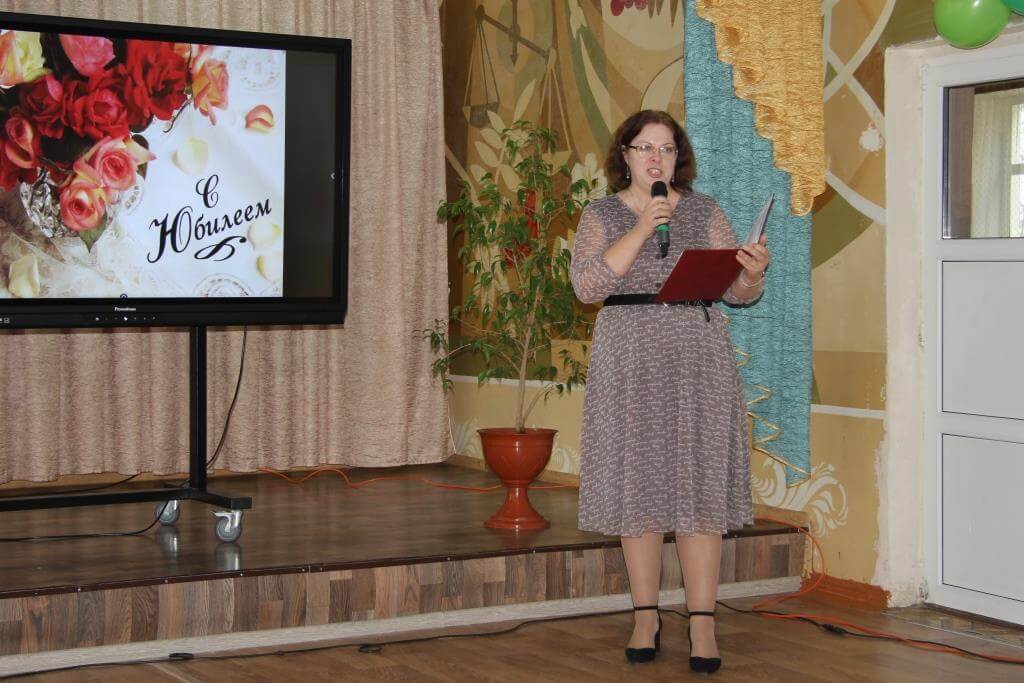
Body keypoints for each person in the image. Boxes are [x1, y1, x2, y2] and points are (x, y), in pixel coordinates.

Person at [569, 110, 771, 674]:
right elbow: (586, 286)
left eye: (667, 148)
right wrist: (641, 227)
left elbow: (736, 292)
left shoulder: (704, 211)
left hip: (698, 361)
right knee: (639, 488)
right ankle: (645, 616)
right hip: (629, 362)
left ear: (679, 157)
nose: (657, 158)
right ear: (625, 155)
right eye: (645, 147)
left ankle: (703, 623)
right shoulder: (601, 214)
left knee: (698, 489)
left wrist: (752, 273)